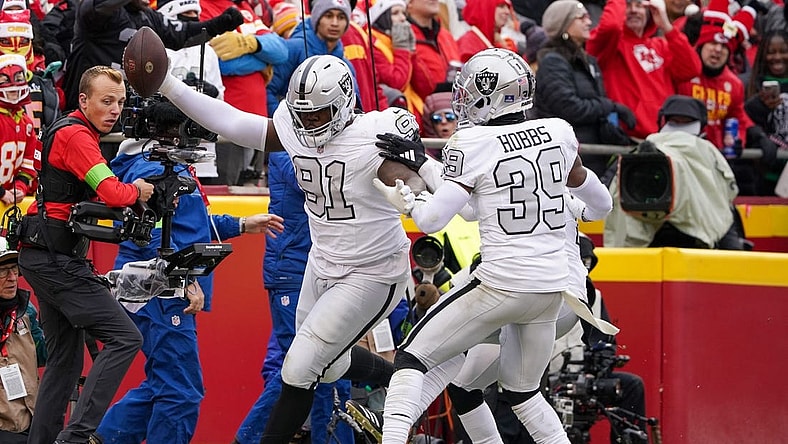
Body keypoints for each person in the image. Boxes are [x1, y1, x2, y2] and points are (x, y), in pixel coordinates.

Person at [147, 52, 426, 443]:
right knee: (327, 368)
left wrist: (412, 189)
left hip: (372, 269)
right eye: (304, 114)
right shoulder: (294, 128)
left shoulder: (373, 132)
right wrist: (167, 84)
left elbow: (408, 177)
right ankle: (403, 375)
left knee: (297, 368)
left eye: (319, 114)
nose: (310, 122)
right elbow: (230, 120)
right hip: (321, 262)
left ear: (344, 102)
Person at [372, 48, 616, 444]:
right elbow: (601, 205)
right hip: (553, 290)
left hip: (503, 284)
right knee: (523, 394)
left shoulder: (470, 142)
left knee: (411, 357)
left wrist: (412, 201)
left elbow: (435, 219)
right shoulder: (559, 132)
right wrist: (572, 207)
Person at [94, 82, 285, 444]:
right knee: (181, 394)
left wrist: (243, 224)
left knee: (162, 387)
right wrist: (181, 281)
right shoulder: (153, 170)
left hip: (162, 293)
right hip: (162, 295)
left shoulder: (165, 164)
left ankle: (95, 438)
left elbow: (191, 224)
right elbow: (150, 237)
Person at [16, 65, 155, 444]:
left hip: (43, 255)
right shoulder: (78, 137)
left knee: (65, 360)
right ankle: (75, 437)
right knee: (125, 338)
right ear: (83, 100)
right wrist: (138, 191)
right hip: (56, 260)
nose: (115, 110)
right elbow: (111, 192)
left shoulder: (74, 130)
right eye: (106, 101)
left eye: (121, 102)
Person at [231, 149, 355, 444]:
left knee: (332, 368)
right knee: (299, 367)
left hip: (326, 269)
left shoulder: (321, 145)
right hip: (292, 271)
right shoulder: (284, 147)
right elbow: (322, 181)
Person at [604, 95, 743, 249]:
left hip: (692, 236)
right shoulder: (635, 156)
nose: (680, 127)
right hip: (649, 232)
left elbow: (723, 198)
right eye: (675, 121)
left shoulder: (707, 152)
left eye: (686, 122)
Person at [62, 0, 245, 111]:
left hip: (125, 114)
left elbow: (181, 35)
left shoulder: (148, 16)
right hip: (88, 113)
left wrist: (219, 24)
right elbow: (95, 6)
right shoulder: (96, 13)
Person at [533, 0, 637, 177]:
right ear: (564, 25)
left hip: (592, 159)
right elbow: (568, 108)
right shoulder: (553, 61)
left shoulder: (587, 61)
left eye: (588, 17)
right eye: (581, 18)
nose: (589, 22)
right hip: (569, 162)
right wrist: (610, 106)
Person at [586, 0, 701, 139]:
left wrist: (666, 26)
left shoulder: (661, 45)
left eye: (639, 5)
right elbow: (611, 26)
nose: (634, 10)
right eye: (628, 4)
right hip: (627, 140)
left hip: (662, 139)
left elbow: (692, 69)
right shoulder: (609, 45)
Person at [202, 0, 288, 186]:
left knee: (251, 196)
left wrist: (251, 44)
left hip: (258, 124)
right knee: (226, 194)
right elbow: (218, 63)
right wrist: (264, 62)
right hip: (227, 126)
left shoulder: (245, 9)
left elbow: (281, 51)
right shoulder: (202, 7)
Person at [0, 237, 46, 444]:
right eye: (2, 271)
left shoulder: (26, 311)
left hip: (31, 423)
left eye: (14, 269)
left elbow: (43, 356)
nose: (12, 278)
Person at [368, 0, 420, 120]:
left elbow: (425, 86)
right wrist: (402, 49)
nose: (402, 18)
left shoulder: (395, 39)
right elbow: (397, 83)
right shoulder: (372, 43)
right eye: (395, 13)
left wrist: (412, 51)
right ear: (382, 17)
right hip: (392, 115)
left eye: (404, 13)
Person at [0, 54, 38, 206]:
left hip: (10, 199)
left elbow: (29, 162)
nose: (13, 87)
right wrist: (1, 193)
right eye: (4, 81)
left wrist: (20, 187)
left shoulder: (26, 123)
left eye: (19, 79)